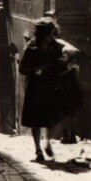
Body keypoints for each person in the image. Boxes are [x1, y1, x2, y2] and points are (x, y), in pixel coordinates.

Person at [19, 18, 69, 162]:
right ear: (44, 34)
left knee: (51, 118)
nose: (53, 36)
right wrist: (35, 70)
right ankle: (38, 150)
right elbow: (22, 69)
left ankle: (47, 142)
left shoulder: (56, 47)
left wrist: (63, 63)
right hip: (35, 88)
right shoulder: (31, 48)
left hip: (51, 86)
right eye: (51, 33)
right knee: (36, 121)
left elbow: (60, 65)